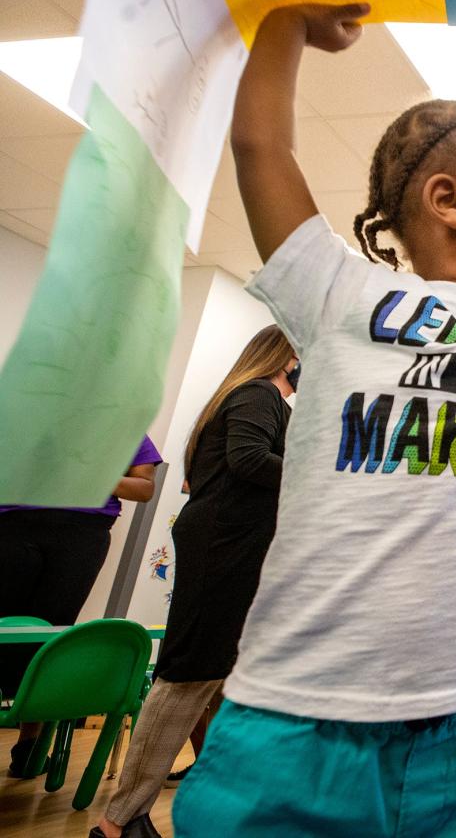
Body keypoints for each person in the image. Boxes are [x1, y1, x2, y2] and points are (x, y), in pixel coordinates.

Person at [169, 0, 456, 838]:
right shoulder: (343, 293)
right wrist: (284, 30)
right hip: (305, 716)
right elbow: (260, 146)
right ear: (451, 202)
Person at [91, 324, 296, 838]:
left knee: (223, 675)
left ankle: (219, 803)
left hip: (237, 545)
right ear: (286, 354)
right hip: (223, 546)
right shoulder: (258, 392)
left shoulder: (261, 399)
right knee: (188, 675)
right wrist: (315, 473)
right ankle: (118, 822)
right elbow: (248, 460)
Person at [0, 438, 161, 777]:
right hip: (13, 522)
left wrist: (93, 475)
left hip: (83, 532)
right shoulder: (34, 410)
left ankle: (30, 745)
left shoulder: (125, 425)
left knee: (52, 634)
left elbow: (144, 488)